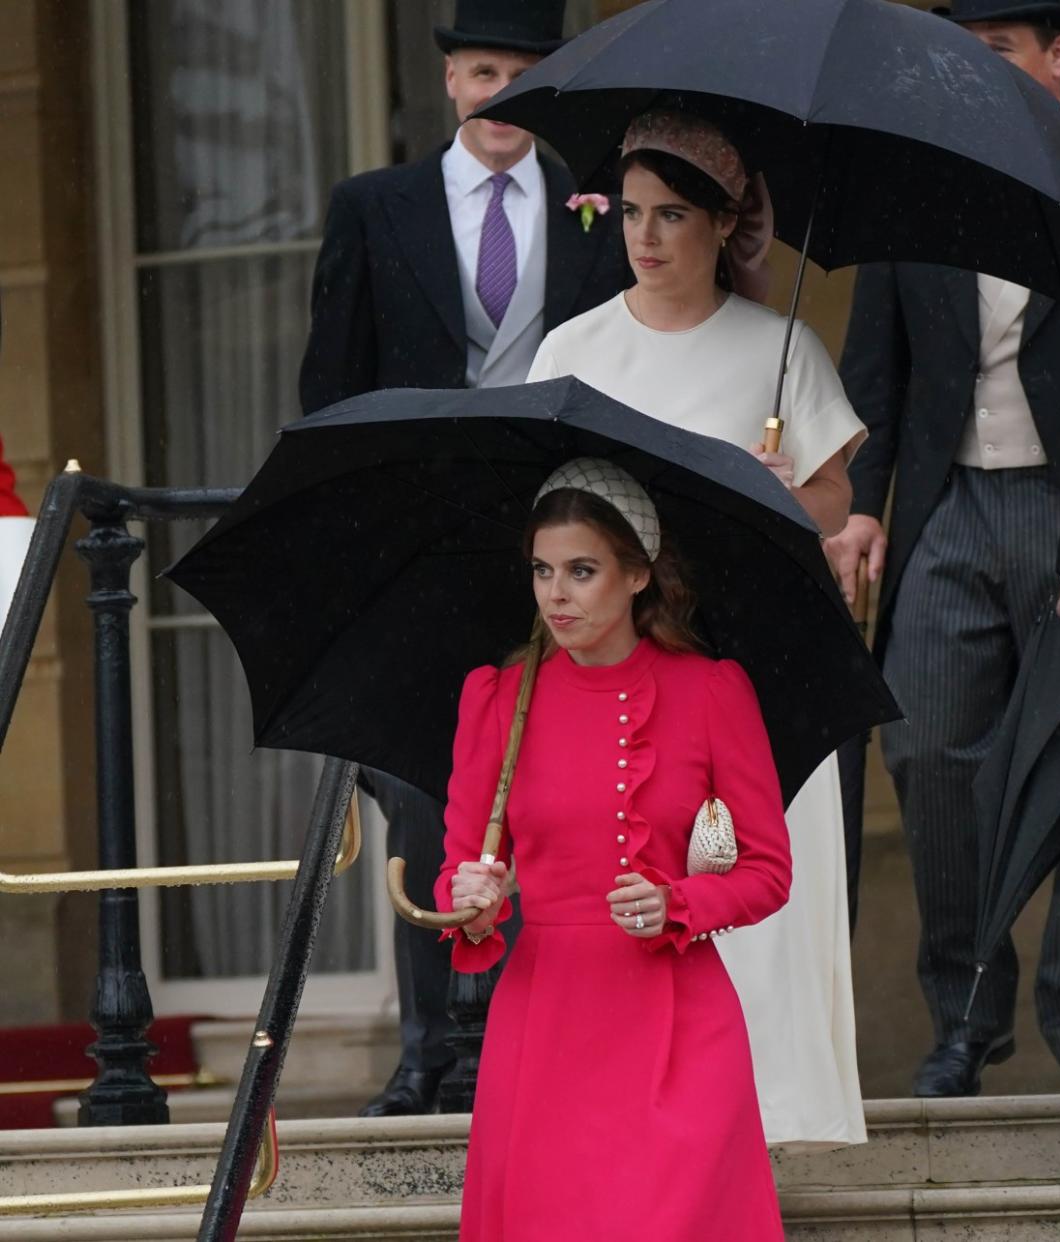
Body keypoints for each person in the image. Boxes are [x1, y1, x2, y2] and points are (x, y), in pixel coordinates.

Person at [298, 0, 627, 1117]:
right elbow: (328, 396)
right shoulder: (374, 207)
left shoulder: (596, 214)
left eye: (524, 75)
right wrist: (348, 549)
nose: (500, 95)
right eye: (483, 71)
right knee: (422, 795)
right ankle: (429, 1047)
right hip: (415, 547)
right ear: (450, 81)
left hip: (561, 543)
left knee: (548, 787)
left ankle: (516, 1041)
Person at [528, 110, 868, 1144]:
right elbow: (540, 502)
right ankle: (633, 1113)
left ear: (724, 223)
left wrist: (776, 491)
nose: (647, 236)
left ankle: (770, 1114)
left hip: (744, 660)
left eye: (672, 214)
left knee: (740, 878)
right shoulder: (570, 349)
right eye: (631, 212)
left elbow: (833, 498)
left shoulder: (781, 348)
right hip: (618, 666)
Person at [831, 0, 1060, 1098]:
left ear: (1057, 56)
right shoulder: (921, 181)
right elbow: (878, 364)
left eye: (1000, 48)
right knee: (924, 747)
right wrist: (863, 503)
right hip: (949, 506)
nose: (979, 68)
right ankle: (966, 1014)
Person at [437, 459, 790, 1239]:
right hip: (547, 1021)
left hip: (679, 1020)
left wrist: (679, 902)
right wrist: (472, 905)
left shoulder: (710, 691)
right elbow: (460, 874)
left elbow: (768, 872)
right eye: (541, 570)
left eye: (581, 571)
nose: (554, 594)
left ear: (636, 575)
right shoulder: (498, 697)